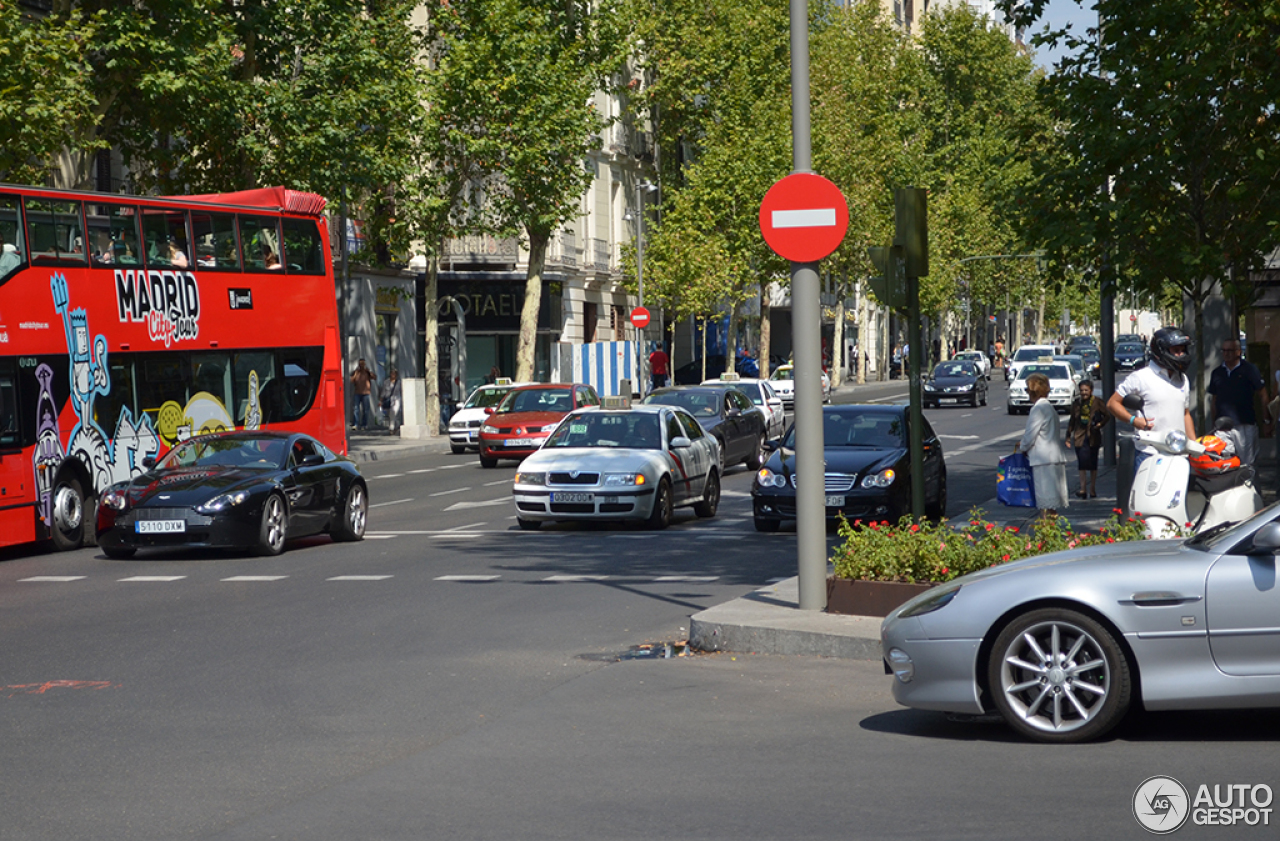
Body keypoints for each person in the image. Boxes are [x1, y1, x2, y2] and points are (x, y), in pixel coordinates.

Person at [1108, 326, 1196, 477]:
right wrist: (1134, 420)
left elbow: (1185, 413)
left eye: (1183, 350)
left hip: (1179, 454)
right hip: (1149, 454)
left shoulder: (1183, 379)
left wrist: (1194, 445)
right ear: (1162, 352)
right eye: (1176, 350)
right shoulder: (1140, 377)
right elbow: (1112, 403)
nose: (1180, 354)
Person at [1014, 372, 1070, 516]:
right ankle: (1050, 532)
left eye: (1027, 390)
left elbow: (1030, 435)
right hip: (1054, 457)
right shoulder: (1050, 408)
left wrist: (1022, 447)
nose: (1026, 393)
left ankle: (1045, 534)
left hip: (1043, 460)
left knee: (1044, 503)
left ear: (1033, 392)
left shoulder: (1038, 409)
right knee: (1051, 505)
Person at [1207, 337, 1265, 465]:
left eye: (1230, 350)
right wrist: (1214, 423)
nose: (1226, 353)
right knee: (1224, 464)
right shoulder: (1217, 373)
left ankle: (1250, 485)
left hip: (1244, 425)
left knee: (1247, 466)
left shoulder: (1250, 370)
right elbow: (1214, 400)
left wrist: (1266, 420)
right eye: (1224, 350)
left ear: (1238, 352)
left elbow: (1262, 394)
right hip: (1222, 428)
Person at [1065, 380, 1109, 499]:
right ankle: (1083, 489)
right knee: (1082, 463)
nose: (1084, 393)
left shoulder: (1097, 402)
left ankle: (1092, 489)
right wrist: (1068, 437)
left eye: (1086, 390)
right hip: (1080, 436)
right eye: (1082, 390)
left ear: (1091, 390)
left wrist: (1100, 424)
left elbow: (1108, 415)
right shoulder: (1076, 403)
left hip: (1093, 436)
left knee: (1093, 463)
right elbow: (1072, 421)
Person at [350, 358, 376, 431]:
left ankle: (364, 424)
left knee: (366, 410)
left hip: (366, 393)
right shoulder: (356, 372)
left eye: (363, 364)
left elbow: (375, 377)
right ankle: (356, 424)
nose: (362, 365)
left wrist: (369, 371)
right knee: (356, 409)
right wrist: (355, 373)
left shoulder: (367, 372)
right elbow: (352, 380)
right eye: (360, 364)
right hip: (357, 393)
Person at [379, 369, 402, 434]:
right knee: (391, 414)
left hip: (397, 398)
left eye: (394, 374)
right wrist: (381, 400)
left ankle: (391, 428)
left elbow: (401, 391)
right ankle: (397, 425)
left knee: (394, 412)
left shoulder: (399, 382)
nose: (393, 375)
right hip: (388, 399)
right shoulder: (386, 382)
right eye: (392, 373)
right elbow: (383, 392)